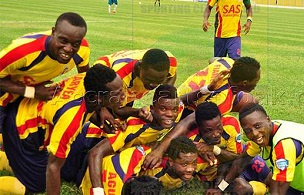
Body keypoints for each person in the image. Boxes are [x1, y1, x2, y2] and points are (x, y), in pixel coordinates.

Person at [2, 65, 124, 194]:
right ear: (98, 98)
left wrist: (98, 113)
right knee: (37, 184)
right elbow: (53, 166)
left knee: (39, 168)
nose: (123, 96)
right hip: (22, 130)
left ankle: (8, 157)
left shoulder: (87, 81)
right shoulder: (71, 119)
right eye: (117, 93)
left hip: (27, 109)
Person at [0, 12, 90, 133]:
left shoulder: (83, 50)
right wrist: (33, 92)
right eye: (63, 41)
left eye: (75, 44)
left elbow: (87, 80)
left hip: (23, 101)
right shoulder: (23, 50)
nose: (69, 49)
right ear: (53, 32)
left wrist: (101, 110)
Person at [87, 84, 183, 191]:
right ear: (152, 109)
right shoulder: (133, 127)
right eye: (163, 109)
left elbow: (185, 101)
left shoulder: (177, 111)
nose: (170, 114)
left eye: (174, 109)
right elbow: (94, 153)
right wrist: (98, 191)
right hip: (90, 141)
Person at [80, 136, 198, 194]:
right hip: (94, 175)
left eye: (193, 163)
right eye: (185, 164)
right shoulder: (117, 185)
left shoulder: (145, 155)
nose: (190, 168)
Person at [95, 49, 178, 126]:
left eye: (159, 81)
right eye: (148, 79)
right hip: (101, 83)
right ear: (139, 67)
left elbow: (172, 75)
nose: (153, 85)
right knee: (110, 122)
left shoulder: (170, 61)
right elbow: (117, 109)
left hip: (125, 82)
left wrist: (165, 92)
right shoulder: (120, 78)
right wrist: (137, 112)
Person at [178, 57, 260, 116]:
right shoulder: (222, 101)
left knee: (251, 101)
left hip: (182, 91)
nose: (256, 84)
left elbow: (212, 59)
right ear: (245, 83)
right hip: (181, 107)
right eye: (256, 81)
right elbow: (190, 122)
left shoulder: (227, 62)